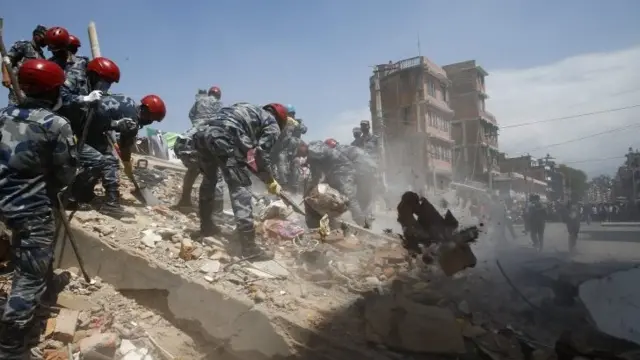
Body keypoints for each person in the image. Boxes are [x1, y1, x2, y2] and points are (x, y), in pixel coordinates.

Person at [0, 59, 78, 358]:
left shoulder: (3, 115)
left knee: (36, 260)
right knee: (26, 278)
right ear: (53, 91)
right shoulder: (56, 124)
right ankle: (10, 347)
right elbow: (66, 173)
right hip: (30, 209)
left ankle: (49, 284)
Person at [192, 102, 288, 260]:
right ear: (280, 120)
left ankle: (206, 227)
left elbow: (248, 154)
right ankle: (249, 247)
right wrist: (270, 179)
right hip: (224, 137)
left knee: (209, 180)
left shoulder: (248, 109)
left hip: (202, 135)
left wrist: (257, 171)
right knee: (241, 188)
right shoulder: (272, 123)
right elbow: (261, 154)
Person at [297, 139, 366, 228]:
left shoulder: (313, 150)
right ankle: (329, 218)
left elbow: (316, 175)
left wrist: (307, 193)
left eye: (298, 151)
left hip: (342, 171)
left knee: (350, 198)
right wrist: (307, 194)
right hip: (333, 173)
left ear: (303, 146)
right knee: (326, 195)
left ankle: (362, 224)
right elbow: (315, 177)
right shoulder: (313, 149)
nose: (299, 155)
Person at [173, 125, 225, 211]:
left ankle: (185, 200)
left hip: (182, 150)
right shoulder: (221, 131)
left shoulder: (201, 126)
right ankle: (217, 211)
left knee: (193, 170)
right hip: (195, 150)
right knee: (216, 177)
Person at [331, 139, 377, 228]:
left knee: (350, 197)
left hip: (362, 169)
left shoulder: (336, 152)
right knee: (365, 198)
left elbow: (340, 173)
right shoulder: (347, 148)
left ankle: (361, 223)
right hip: (373, 169)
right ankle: (368, 222)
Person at [2, 25, 48, 105]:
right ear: (36, 35)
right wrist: (5, 76)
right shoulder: (24, 45)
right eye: (43, 36)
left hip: (33, 91)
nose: (45, 41)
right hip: (18, 86)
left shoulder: (42, 56)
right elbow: (7, 60)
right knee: (16, 110)